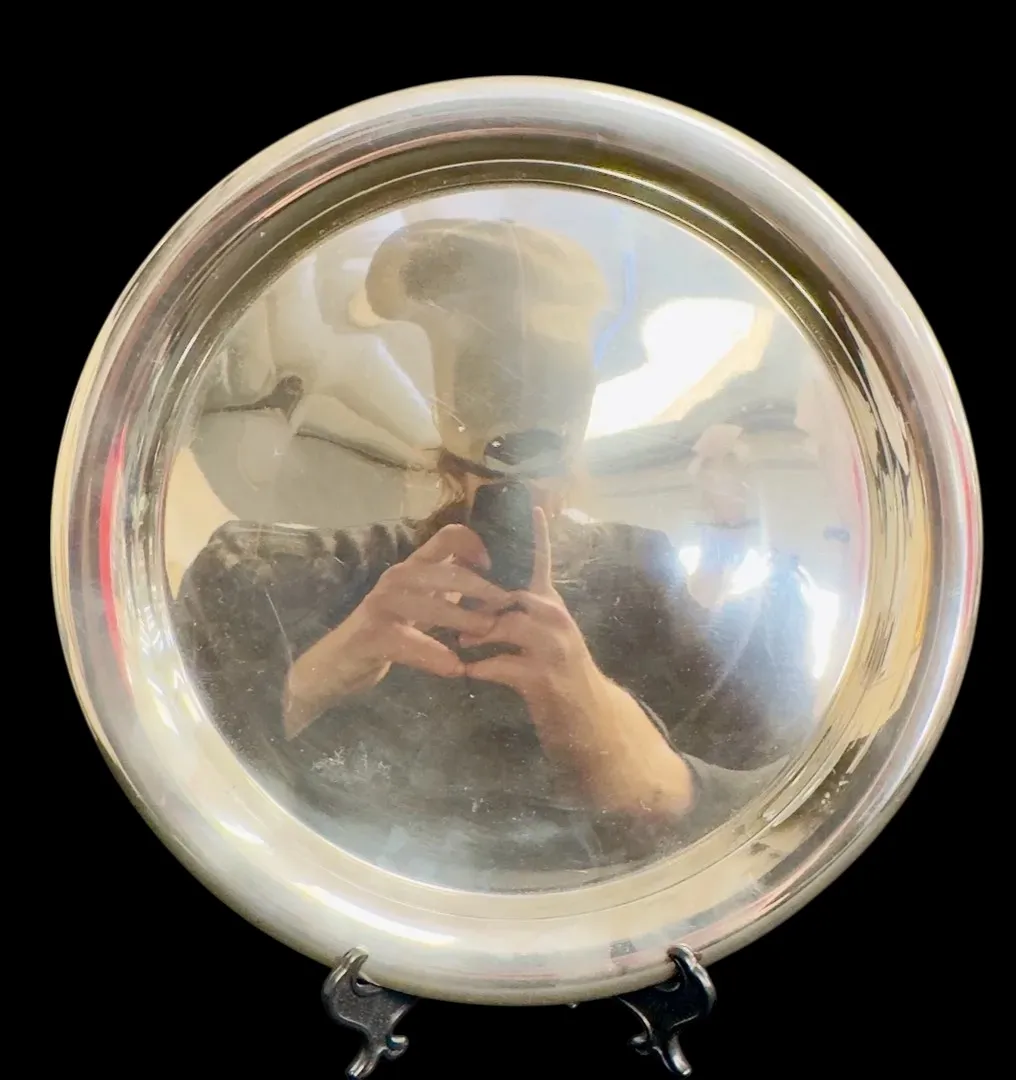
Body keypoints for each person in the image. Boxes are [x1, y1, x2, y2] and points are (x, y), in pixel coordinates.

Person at [174, 218, 799, 889]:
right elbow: (177, 760)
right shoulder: (289, 573)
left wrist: (624, 747)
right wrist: (317, 677)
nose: (518, 498)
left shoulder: (649, 583)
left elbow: (786, 816)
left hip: (615, 926)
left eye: (539, 455)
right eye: (497, 459)